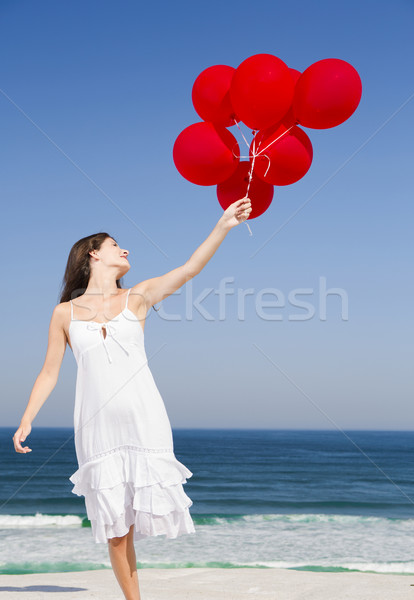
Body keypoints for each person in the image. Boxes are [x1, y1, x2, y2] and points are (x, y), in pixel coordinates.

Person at [12, 196, 252, 600]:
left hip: (144, 417)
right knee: (116, 528)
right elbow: (49, 371)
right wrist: (26, 417)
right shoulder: (64, 314)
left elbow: (190, 269)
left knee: (140, 519)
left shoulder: (137, 297)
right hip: (97, 426)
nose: (125, 250)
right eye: (115, 245)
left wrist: (223, 224)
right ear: (94, 254)